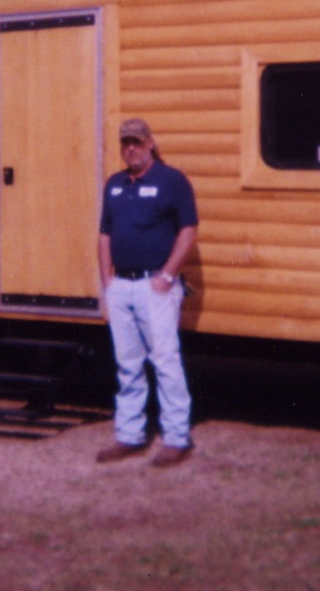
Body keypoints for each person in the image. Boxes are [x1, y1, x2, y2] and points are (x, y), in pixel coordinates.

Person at [95, 118, 199, 467]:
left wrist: (167, 276)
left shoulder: (172, 181)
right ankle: (129, 435)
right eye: (125, 142)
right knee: (128, 365)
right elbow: (105, 234)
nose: (131, 148)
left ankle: (175, 438)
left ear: (151, 143)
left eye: (137, 142)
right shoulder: (114, 184)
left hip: (155, 286)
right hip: (121, 286)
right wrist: (107, 281)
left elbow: (188, 230)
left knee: (165, 362)